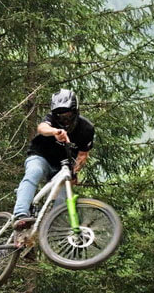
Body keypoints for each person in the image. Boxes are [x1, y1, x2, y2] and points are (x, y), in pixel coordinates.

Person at [12, 89, 95, 230]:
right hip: (40, 156)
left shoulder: (86, 128)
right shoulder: (51, 120)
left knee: (62, 200)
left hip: (62, 167)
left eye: (68, 115)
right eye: (60, 117)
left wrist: (74, 171)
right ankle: (20, 214)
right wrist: (54, 132)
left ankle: (48, 231)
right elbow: (42, 127)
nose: (65, 120)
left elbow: (82, 154)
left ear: (75, 111)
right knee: (34, 172)